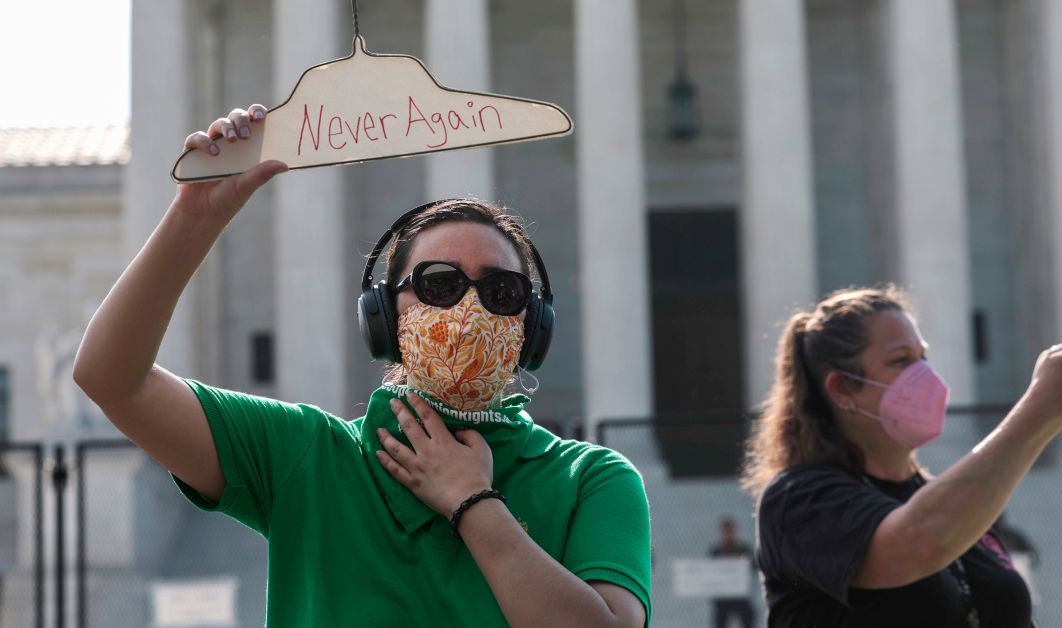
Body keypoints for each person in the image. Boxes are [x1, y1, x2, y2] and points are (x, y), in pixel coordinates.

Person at [73, 105, 652, 627]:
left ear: (532, 326)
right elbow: (110, 378)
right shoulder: (308, 456)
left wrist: (473, 503)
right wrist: (193, 220)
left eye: (500, 291)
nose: (470, 310)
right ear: (384, 317)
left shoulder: (592, 478)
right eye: (440, 285)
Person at [743, 285, 1062, 627]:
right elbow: (918, 545)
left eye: (923, 357)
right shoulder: (799, 500)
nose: (924, 374)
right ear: (842, 388)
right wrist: (1044, 406)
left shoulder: (949, 504)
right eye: (901, 361)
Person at [707, 517, 755, 628]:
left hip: (741, 597)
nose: (728, 534)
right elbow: (709, 573)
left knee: (749, 618)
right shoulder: (716, 552)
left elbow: (753, 568)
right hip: (723, 598)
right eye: (726, 532)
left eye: (730, 531)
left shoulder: (743, 550)